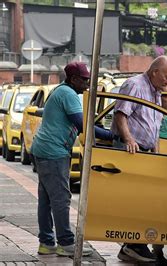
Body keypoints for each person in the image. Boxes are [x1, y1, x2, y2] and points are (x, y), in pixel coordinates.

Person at [31, 62, 114, 257]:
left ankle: (46, 243)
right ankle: (66, 243)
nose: (87, 83)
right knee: (61, 198)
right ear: (73, 79)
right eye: (84, 80)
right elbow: (83, 125)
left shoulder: (61, 91)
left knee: (47, 199)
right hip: (53, 152)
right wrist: (113, 136)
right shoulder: (68, 94)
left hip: (42, 149)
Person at [111, 55, 167, 265]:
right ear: (155, 72)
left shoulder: (157, 90)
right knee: (135, 201)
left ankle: (145, 246)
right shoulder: (135, 85)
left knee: (149, 201)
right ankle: (133, 244)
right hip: (131, 150)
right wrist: (129, 139)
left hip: (147, 152)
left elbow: (155, 123)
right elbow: (121, 115)